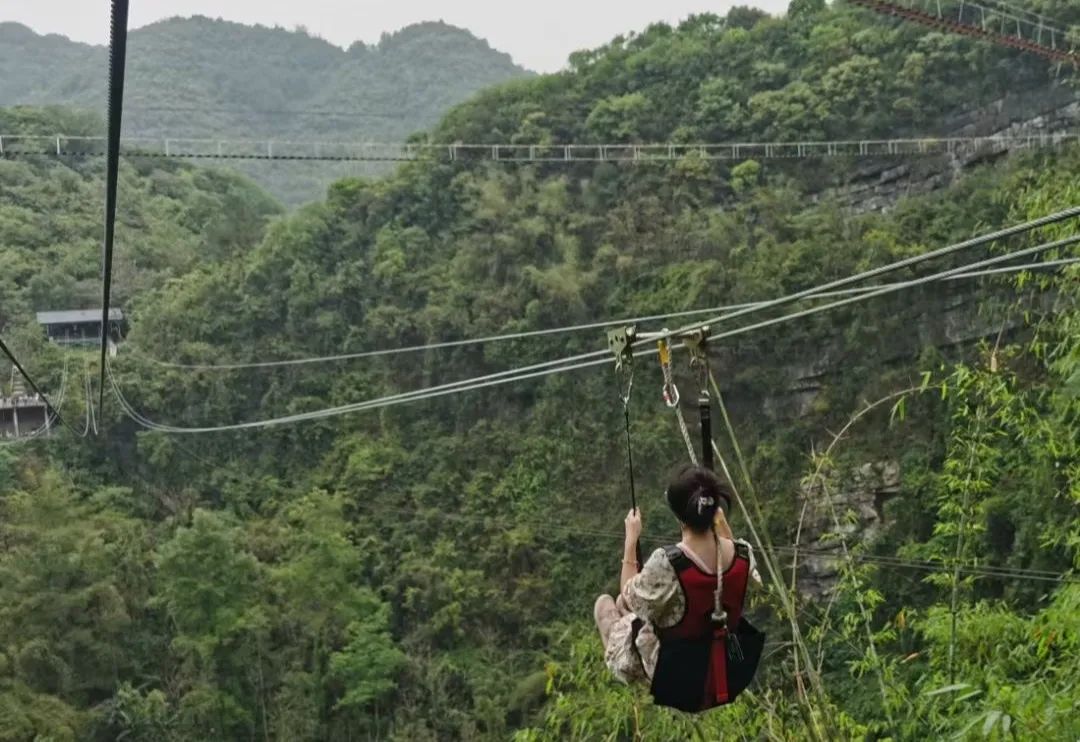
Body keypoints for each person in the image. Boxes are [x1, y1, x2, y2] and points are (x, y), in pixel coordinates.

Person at [593, 464, 761, 712]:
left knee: (608, 604)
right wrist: (721, 524)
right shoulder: (744, 555)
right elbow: (753, 584)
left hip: (681, 681)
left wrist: (631, 540)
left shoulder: (668, 564)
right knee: (626, 605)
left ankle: (624, 664)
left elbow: (630, 598)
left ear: (679, 515)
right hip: (725, 670)